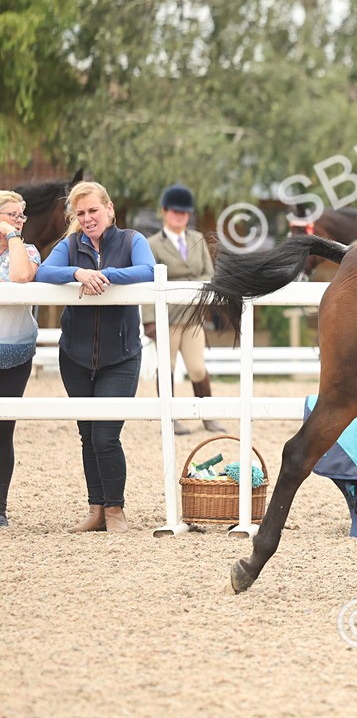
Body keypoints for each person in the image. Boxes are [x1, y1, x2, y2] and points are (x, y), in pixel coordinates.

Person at [36, 181, 155, 533]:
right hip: (74, 354)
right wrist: (77, 272)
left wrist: (105, 276)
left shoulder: (133, 240)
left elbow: (147, 271)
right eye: (81, 213)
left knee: (106, 435)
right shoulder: (70, 245)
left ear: (109, 209)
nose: (88, 218)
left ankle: (115, 508)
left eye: (93, 210)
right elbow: (44, 271)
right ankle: (96, 507)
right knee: (88, 433)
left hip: (121, 356)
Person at [143, 184, 225, 435]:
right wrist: (149, 320)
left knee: (197, 368)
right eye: (175, 212)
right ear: (165, 212)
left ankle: (208, 417)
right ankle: (170, 418)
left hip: (193, 316)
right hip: (167, 317)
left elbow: (208, 274)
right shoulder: (152, 244)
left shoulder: (197, 239)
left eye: (184, 212)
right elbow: (150, 281)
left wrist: (185, 286)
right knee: (167, 367)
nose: (180, 216)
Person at [0, 191, 41, 527]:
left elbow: (20, 277)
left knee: (4, 429)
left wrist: (11, 234)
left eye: (20, 215)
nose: (19, 221)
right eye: (11, 215)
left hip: (15, 355)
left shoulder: (27, 251)